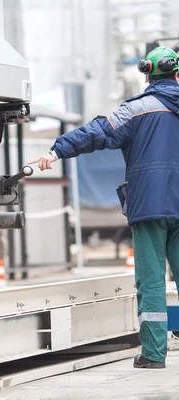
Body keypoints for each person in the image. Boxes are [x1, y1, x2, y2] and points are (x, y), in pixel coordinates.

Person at [29, 46, 179, 369]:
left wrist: (57, 151)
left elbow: (96, 132)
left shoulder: (137, 110)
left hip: (150, 205)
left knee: (152, 281)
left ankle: (154, 354)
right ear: (177, 74)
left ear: (148, 76)